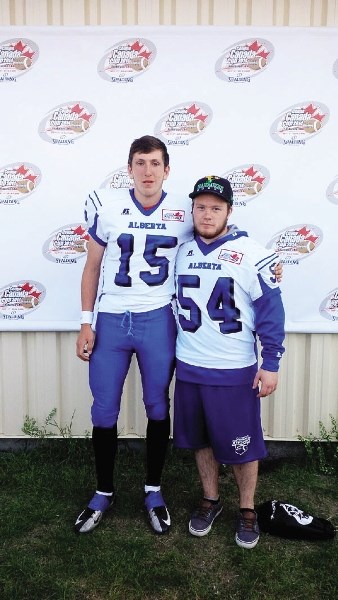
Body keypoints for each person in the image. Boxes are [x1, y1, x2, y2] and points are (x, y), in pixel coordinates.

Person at [75, 135, 193, 534]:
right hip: (111, 317)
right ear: (128, 168)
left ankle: (153, 489)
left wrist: (269, 267)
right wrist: (86, 321)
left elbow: (221, 236)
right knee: (104, 408)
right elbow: (91, 267)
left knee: (158, 406)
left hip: (158, 317)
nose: (147, 171)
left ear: (167, 169)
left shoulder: (184, 211)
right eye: (140, 163)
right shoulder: (108, 207)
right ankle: (103, 491)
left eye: (155, 163)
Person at [173, 175, 285, 549]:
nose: (207, 214)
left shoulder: (251, 252)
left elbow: (271, 311)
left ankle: (247, 508)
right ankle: (211, 499)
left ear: (229, 211)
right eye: (201, 207)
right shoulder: (180, 250)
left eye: (215, 208)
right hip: (189, 366)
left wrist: (270, 363)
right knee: (202, 441)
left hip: (234, 370)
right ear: (192, 209)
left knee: (242, 444)